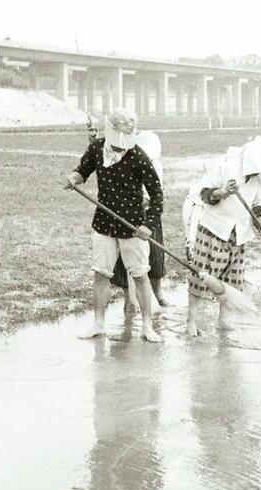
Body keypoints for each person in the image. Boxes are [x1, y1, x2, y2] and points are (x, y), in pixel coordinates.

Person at [62, 108, 163, 342]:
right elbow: (82, 171)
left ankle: (147, 326)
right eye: (116, 143)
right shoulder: (97, 148)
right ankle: (98, 323)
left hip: (132, 226)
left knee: (139, 275)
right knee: (101, 274)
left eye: (123, 144)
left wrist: (148, 225)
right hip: (104, 223)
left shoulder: (138, 156)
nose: (119, 147)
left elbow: (157, 194)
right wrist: (72, 179)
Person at [186, 138, 261, 336]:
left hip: (238, 234)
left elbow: (258, 203)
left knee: (232, 279)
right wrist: (223, 192)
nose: (257, 173)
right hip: (214, 229)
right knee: (201, 277)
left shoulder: (258, 179)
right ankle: (191, 319)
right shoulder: (225, 167)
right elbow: (201, 193)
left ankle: (224, 319)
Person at [110, 130, 169, 313]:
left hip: (149, 217)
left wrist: (148, 202)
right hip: (126, 216)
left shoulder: (156, 166)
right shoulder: (121, 162)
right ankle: (129, 300)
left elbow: (157, 192)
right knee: (125, 260)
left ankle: (158, 295)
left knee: (155, 256)